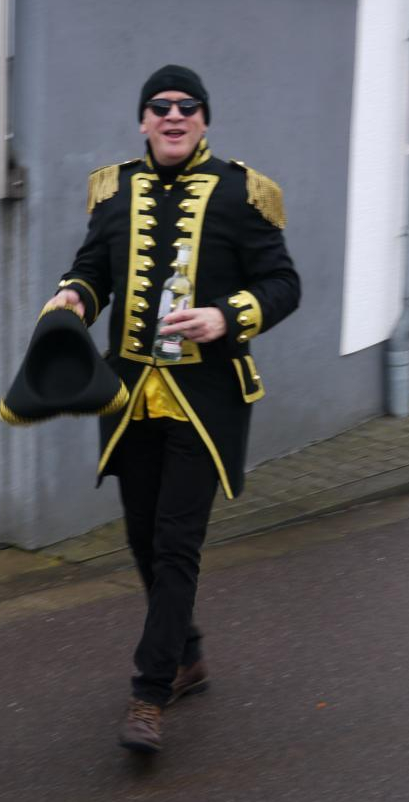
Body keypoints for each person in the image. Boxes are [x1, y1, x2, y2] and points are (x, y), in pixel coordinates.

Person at [48, 65, 300, 753]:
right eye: (160, 106)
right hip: (131, 397)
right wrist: (74, 297)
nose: (174, 114)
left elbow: (283, 283)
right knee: (141, 539)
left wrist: (227, 316)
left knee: (176, 544)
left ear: (204, 119)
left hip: (205, 400)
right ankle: (186, 655)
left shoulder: (242, 193)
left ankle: (149, 693)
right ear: (143, 120)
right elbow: (92, 271)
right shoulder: (114, 189)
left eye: (188, 106)